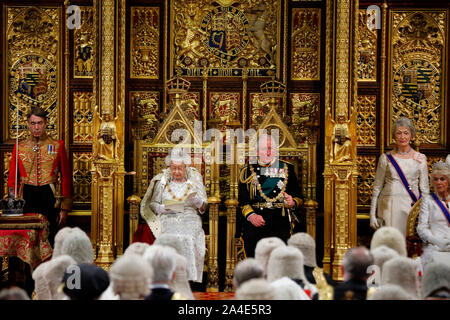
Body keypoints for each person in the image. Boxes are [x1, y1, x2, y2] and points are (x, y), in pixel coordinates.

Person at [140, 148, 207, 282]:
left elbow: (204, 207)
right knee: (169, 237)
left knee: (187, 237)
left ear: (185, 167)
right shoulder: (162, 180)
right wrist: (161, 208)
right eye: (173, 168)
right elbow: (152, 204)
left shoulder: (194, 180)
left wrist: (198, 202)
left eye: (179, 168)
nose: (176, 172)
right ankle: (167, 275)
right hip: (167, 217)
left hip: (190, 217)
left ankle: (186, 277)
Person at [8, 107, 72, 245]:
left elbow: (66, 177)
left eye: (39, 123)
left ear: (46, 123)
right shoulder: (19, 146)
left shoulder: (57, 145)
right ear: (28, 124)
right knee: (27, 237)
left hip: (49, 194)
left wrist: (65, 208)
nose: (36, 127)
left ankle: (49, 266)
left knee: (49, 236)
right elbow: (13, 178)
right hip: (26, 195)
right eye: (33, 123)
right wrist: (12, 203)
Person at [238, 133, 303, 257]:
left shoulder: (287, 168)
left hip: (280, 217)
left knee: (285, 244)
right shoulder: (246, 172)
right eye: (264, 149)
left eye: (271, 148)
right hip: (256, 217)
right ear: (257, 151)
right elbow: (243, 200)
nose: (268, 152)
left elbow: (298, 196)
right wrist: (251, 216)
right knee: (251, 238)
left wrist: (292, 201)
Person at [370, 117, 429, 236]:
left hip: (410, 206)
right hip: (388, 205)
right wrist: (372, 215)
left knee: (407, 245)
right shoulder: (385, 158)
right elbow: (376, 188)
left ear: (411, 135)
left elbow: (425, 190)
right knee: (389, 243)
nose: (402, 137)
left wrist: (425, 217)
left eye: (406, 133)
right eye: (399, 133)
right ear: (394, 136)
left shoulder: (420, 158)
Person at [417, 162, 450, 267]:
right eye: (436, 179)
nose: (439, 182)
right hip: (434, 246)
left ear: (448, 181)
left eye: (442, 179)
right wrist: (436, 240)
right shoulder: (428, 200)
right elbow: (421, 228)